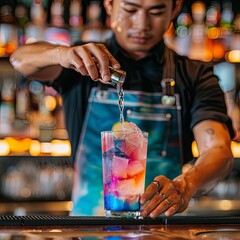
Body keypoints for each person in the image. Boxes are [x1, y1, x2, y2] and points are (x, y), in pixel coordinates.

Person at [10, 0, 234, 218]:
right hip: (87, 229)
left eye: (155, 11)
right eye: (130, 9)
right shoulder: (79, 64)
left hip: (161, 230)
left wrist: (185, 185)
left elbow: (219, 150)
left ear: (175, 8)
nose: (141, 23)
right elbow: (20, 59)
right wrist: (61, 54)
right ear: (109, 4)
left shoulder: (195, 75)